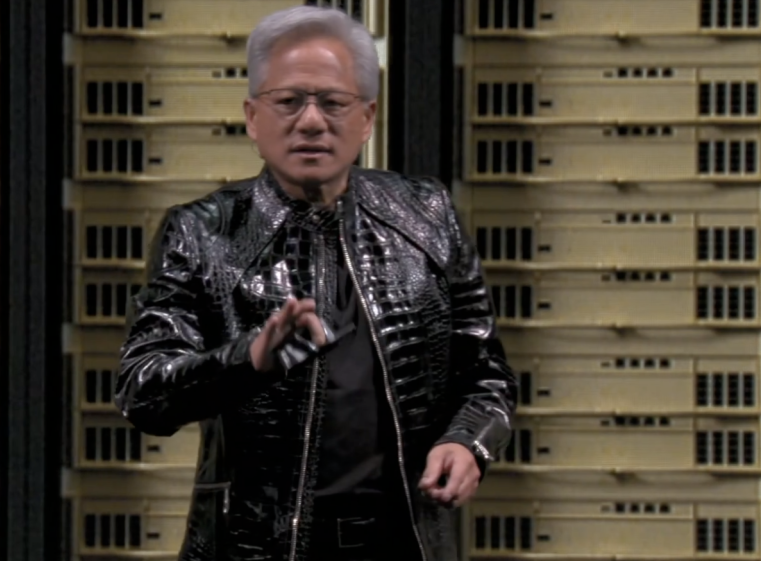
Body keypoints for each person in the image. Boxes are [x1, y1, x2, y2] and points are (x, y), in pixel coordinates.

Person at [115, 6, 517, 561]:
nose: (310, 122)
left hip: (404, 540)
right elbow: (142, 392)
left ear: (367, 118)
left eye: (332, 102)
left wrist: (467, 442)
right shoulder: (202, 233)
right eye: (288, 102)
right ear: (253, 117)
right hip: (256, 546)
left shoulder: (427, 214)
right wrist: (248, 359)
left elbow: (486, 374)